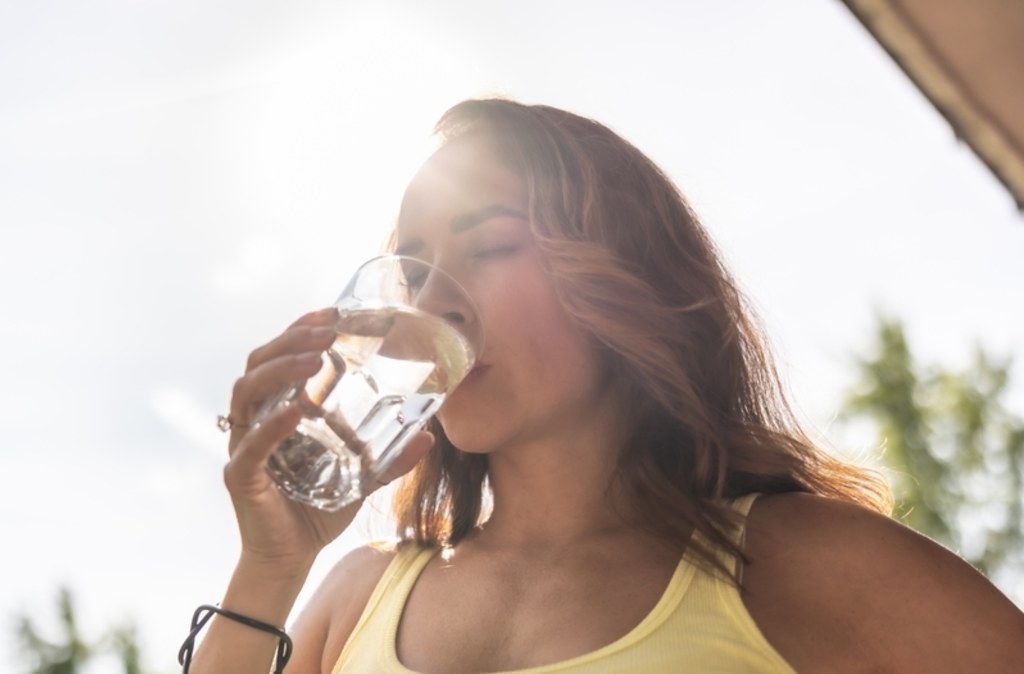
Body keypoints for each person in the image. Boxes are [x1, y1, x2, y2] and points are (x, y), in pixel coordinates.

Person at [184, 99, 1024, 673]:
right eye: (418, 266)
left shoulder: (808, 566)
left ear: (627, 276)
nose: (435, 299)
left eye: (492, 246)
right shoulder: (357, 598)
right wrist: (270, 566)